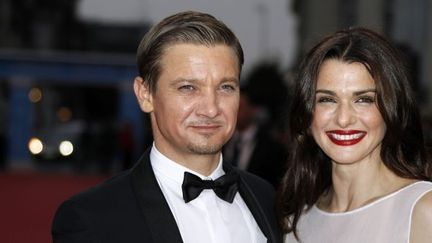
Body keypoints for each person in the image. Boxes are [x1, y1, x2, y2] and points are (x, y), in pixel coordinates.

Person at [52, 11, 281, 243]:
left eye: (225, 87)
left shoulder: (266, 198)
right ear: (145, 94)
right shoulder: (92, 219)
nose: (211, 109)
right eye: (188, 87)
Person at [278, 27, 432, 243]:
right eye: (327, 100)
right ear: (307, 113)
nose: (343, 119)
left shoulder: (423, 210)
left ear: (391, 109)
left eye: (363, 99)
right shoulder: (297, 223)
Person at [224, 84, 288, 188]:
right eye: (231, 107)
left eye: (240, 107)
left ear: (252, 109)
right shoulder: (223, 141)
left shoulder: (271, 146)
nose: (235, 112)